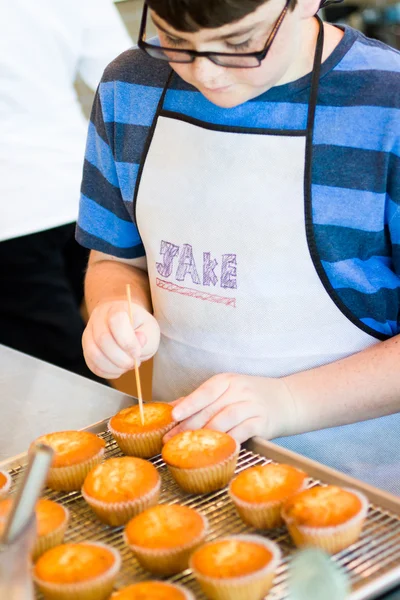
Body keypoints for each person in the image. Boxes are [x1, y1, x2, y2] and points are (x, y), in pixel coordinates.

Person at [77, 0, 400, 441]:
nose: (207, 74)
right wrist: (113, 308)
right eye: (175, 41)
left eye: (239, 43)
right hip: (181, 450)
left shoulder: (387, 103)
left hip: (356, 476)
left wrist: (289, 401)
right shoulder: (130, 87)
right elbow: (114, 261)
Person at [0, 0, 132, 380]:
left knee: (58, 374)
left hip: (12, 220)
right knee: (92, 352)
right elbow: (123, 78)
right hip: (78, 194)